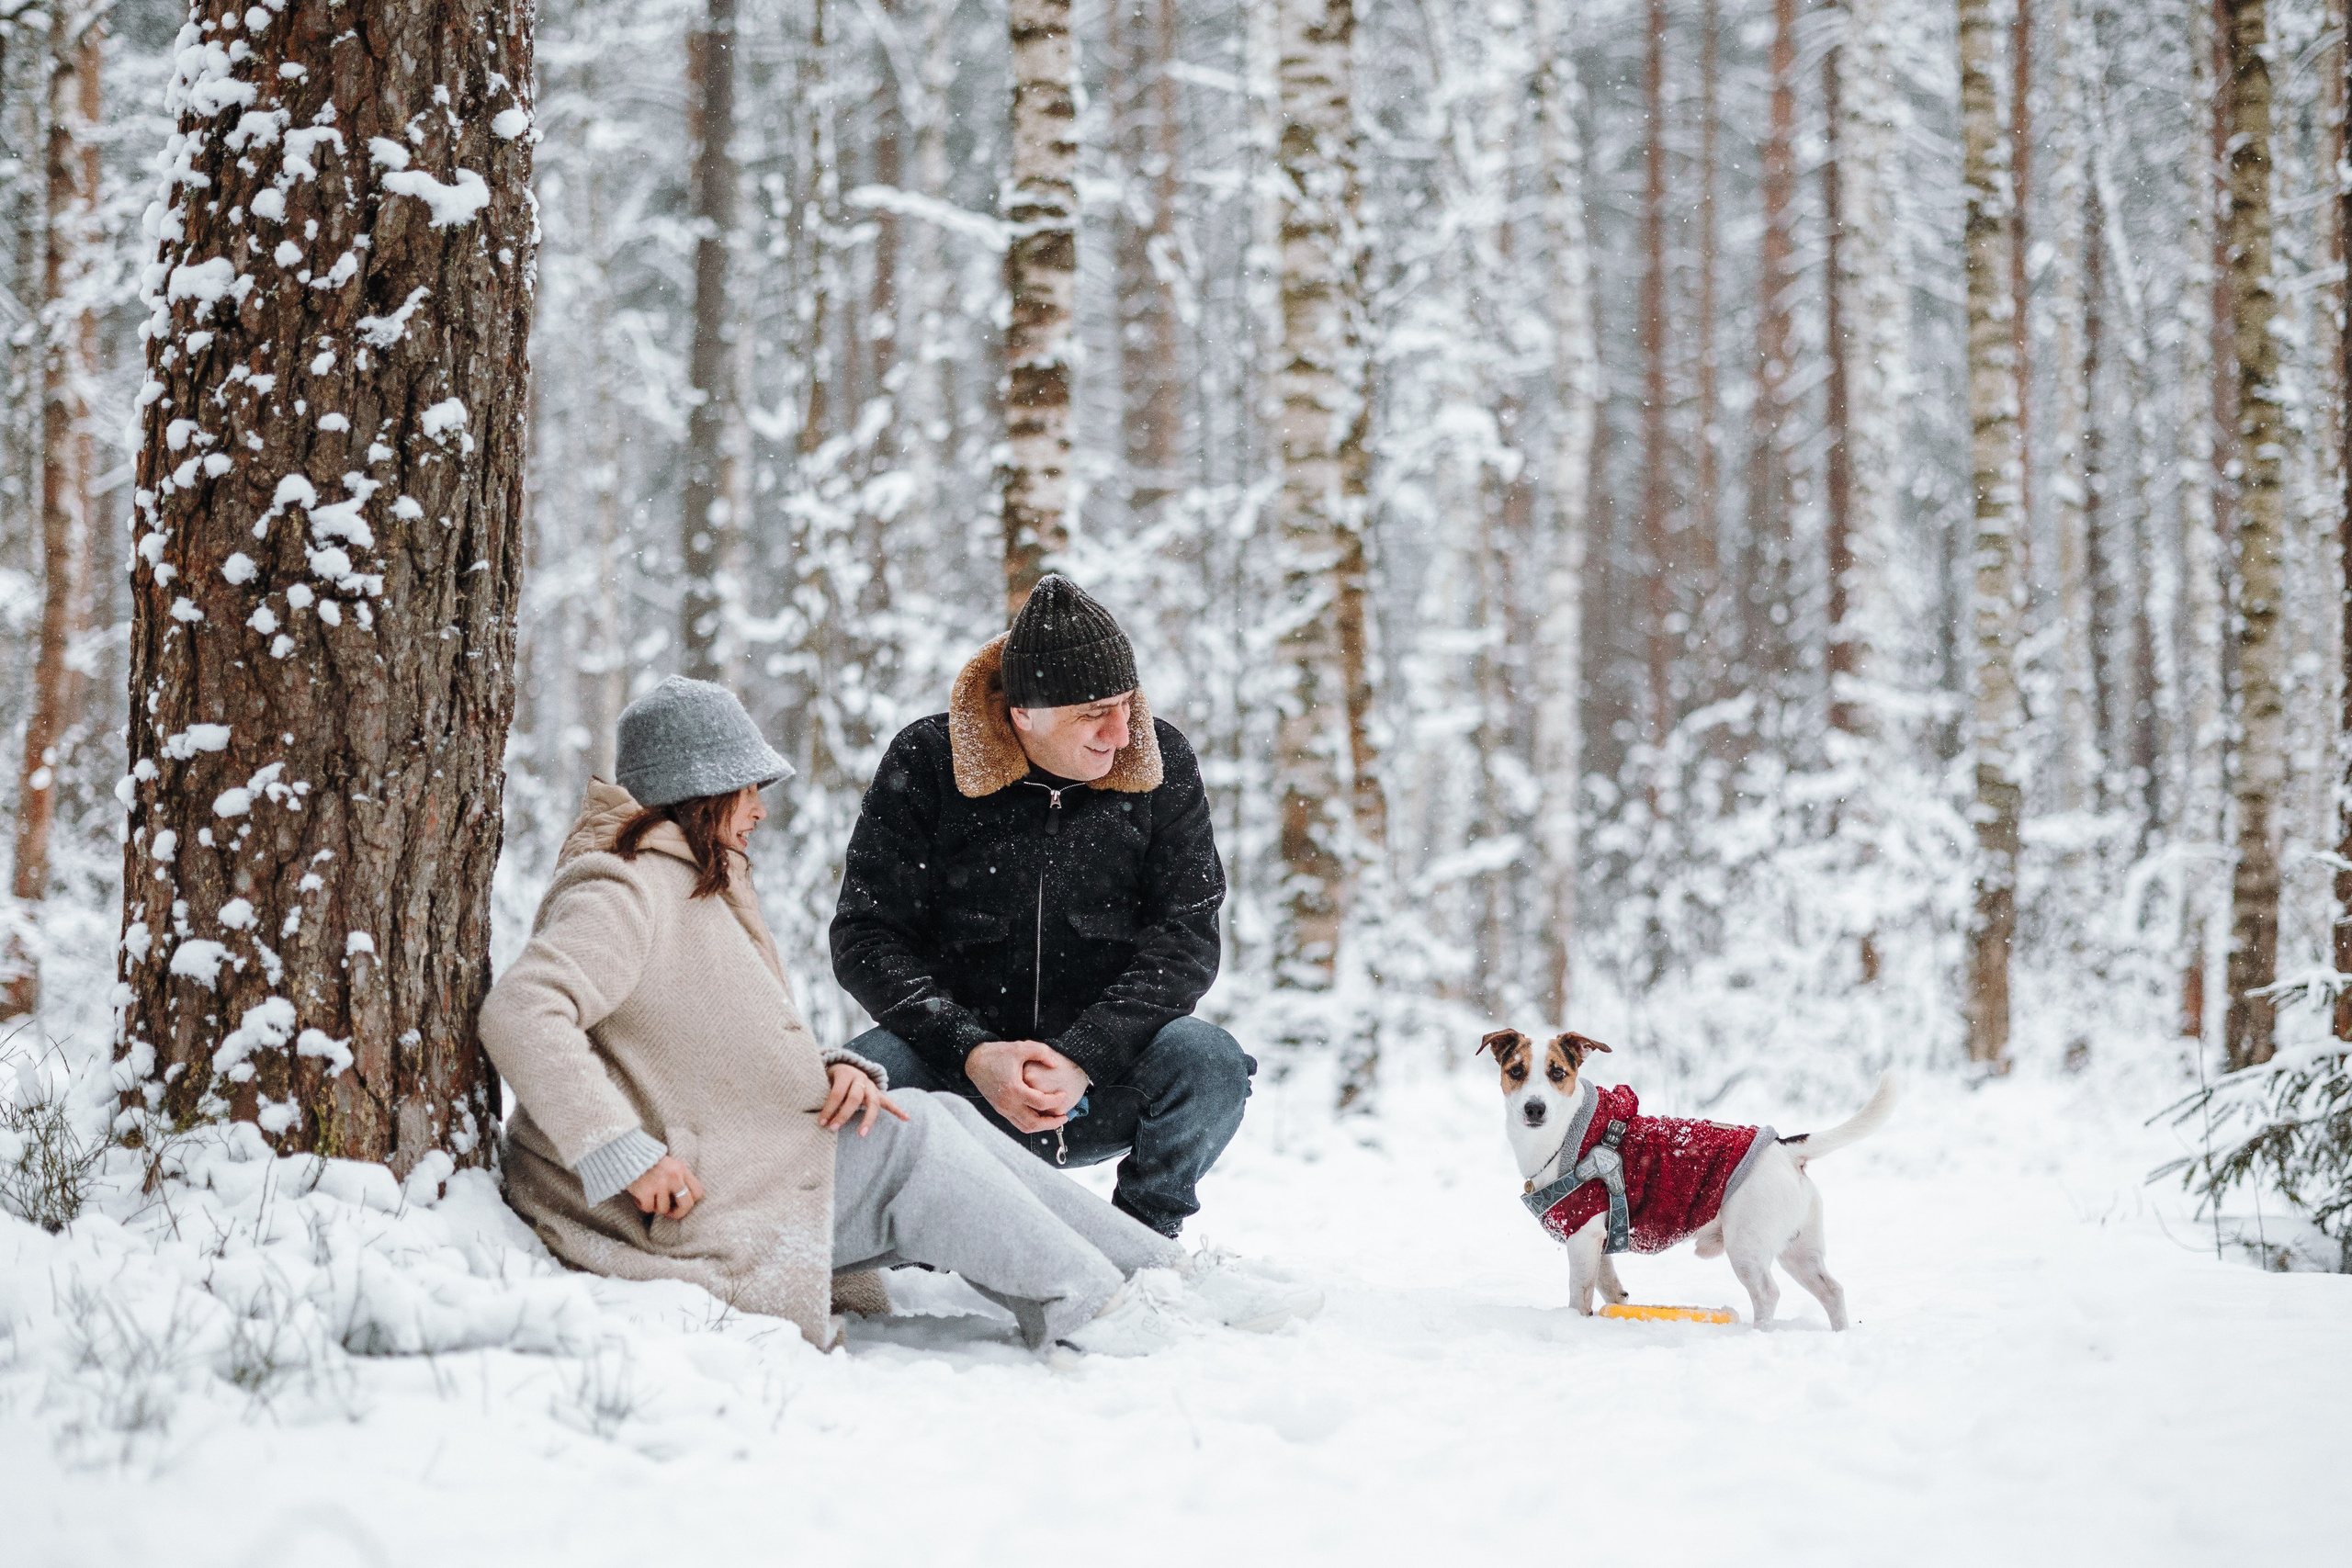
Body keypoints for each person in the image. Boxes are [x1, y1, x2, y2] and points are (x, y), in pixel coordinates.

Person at [479, 675, 1284, 1354]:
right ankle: (1092, 1307)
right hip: (679, 1206)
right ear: (702, 790)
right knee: (918, 1139)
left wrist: (830, 1071)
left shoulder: (691, 879)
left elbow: (686, 1048)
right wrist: (622, 1154)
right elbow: (522, 1010)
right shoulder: (621, 887)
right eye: (748, 789)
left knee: (929, 1116)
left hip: (728, 1163)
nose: (759, 810)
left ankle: (1158, 1274)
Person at [831, 575, 1247, 1237]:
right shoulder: (927, 761)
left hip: (1101, 1082)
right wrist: (973, 1052)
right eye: (1093, 713)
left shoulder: (1161, 760)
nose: (1121, 732)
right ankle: (919, 1245)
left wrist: (1084, 1057)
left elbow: (1186, 940)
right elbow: (867, 936)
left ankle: (1142, 1242)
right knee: (856, 1085)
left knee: (1211, 1063)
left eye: (1127, 705)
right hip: (956, 1080)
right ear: (1023, 715)